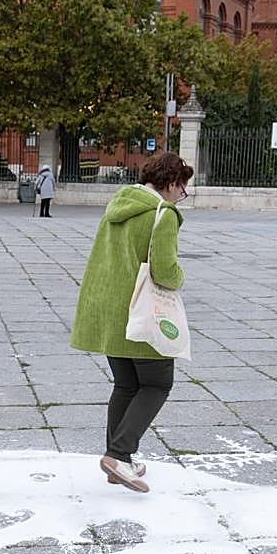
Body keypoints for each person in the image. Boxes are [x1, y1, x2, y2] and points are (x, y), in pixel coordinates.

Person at [69, 151, 194, 494]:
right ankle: (119, 454)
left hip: (110, 311)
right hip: (142, 314)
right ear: (170, 184)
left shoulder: (118, 205)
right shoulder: (162, 214)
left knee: (126, 385)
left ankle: (117, 461)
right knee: (156, 384)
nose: (181, 195)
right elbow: (165, 272)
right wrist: (181, 277)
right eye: (182, 188)